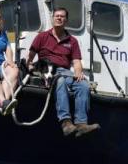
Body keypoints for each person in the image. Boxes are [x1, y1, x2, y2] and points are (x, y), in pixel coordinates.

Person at [26, 7, 100, 136]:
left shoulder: (73, 41)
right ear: (53, 18)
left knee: (83, 85)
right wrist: (29, 68)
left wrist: (78, 72)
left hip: (66, 72)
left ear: (66, 20)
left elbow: (76, 61)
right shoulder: (42, 36)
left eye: (62, 16)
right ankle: (66, 123)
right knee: (59, 81)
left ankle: (81, 124)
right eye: (57, 16)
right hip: (48, 72)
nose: (59, 18)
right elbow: (30, 56)